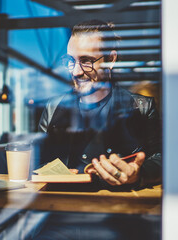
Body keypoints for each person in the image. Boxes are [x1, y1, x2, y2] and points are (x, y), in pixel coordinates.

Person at [38, 19, 162, 189]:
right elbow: (37, 160)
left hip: (120, 209)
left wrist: (139, 174)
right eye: (70, 61)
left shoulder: (141, 108)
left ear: (110, 60)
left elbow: (163, 159)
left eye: (86, 61)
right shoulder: (53, 108)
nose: (76, 71)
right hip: (62, 207)